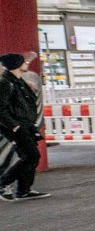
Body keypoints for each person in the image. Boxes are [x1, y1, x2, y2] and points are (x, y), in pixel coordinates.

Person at [0, 52, 50, 201]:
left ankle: (23, 190)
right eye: (23, 62)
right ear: (16, 65)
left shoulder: (17, 81)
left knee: (30, 157)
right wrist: (14, 126)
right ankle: (3, 182)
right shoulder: (5, 83)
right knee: (31, 155)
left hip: (26, 124)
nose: (26, 64)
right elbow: (0, 108)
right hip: (16, 126)